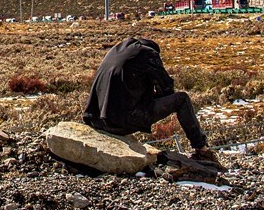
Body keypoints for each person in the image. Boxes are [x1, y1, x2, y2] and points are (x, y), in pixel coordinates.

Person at [83, 36, 221, 167]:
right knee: (182, 99)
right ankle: (202, 150)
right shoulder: (148, 54)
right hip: (119, 122)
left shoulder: (116, 50)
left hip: (96, 119)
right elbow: (166, 88)